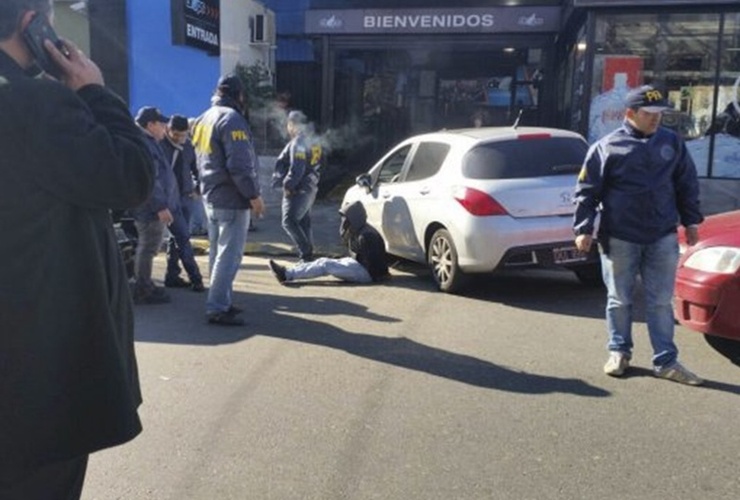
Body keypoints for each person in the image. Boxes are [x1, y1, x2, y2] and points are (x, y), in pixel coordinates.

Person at [0, 1, 153, 497]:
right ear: (31, 23)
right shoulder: (34, 105)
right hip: (38, 384)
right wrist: (93, 90)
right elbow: (132, 176)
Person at [573, 84, 705, 386]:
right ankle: (619, 352)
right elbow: (587, 192)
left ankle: (666, 361)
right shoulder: (607, 147)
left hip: (662, 236)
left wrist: (692, 221)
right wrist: (583, 228)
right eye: (649, 114)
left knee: (660, 302)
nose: (656, 119)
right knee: (619, 299)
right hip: (620, 236)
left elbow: (687, 183)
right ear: (630, 113)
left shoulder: (672, 143)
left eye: (660, 114)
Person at [192, 74, 265, 326]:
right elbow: (240, 165)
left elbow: (197, 160)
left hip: (210, 196)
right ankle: (218, 307)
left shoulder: (203, 118)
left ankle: (220, 299)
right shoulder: (232, 120)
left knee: (217, 252)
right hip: (231, 198)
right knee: (229, 255)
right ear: (239, 95)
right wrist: (253, 195)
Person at [268, 200, 389, 284]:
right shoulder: (360, 230)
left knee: (326, 265)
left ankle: (287, 274)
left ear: (354, 217)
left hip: (368, 274)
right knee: (323, 261)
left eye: (346, 218)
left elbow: (375, 265)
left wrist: (376, 277)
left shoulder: (366, 235)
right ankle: (289, 272)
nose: (344, 221)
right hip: (362, 267)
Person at [131, 106, 178, 305]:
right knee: (148, 248)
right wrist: (160, 206)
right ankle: (143, 287)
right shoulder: (145, 144)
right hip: (150, 208)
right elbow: (152, 179)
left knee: (148, 247)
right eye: (161, 124)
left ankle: (144, 284)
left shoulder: (148, 141)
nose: (165, 128)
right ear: (150, 125)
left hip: (149, 205)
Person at [160, 114, 205, 292]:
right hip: (170, 200)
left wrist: (198, 188)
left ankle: (172, 275)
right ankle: (196, 277)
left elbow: (196, 167)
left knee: (177, 238)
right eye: (176, 134)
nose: (179, 138)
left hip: (186, 197)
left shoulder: (187, 145)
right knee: (184, 237)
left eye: (183, 134)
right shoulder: (160, 146)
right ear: (168, 130)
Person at [274, 110, 322, 262]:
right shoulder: (313, 141)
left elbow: (297, 168)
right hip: (310, 187)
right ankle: (308, 257)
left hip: (299, 189)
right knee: (303, 221)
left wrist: (288, 185)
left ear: (293, 125)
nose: (288, 128)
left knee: (288, 221)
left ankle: (306, 252)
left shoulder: (299, 142)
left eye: (289, 124)